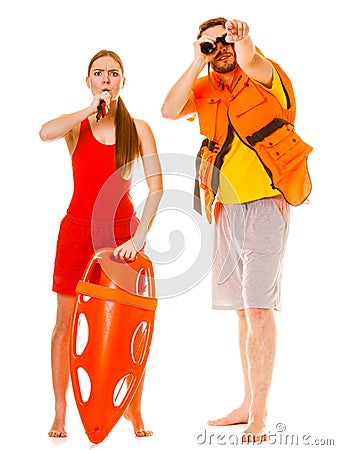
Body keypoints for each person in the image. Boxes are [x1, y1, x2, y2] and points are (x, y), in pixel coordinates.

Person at [161, 18, 310, 443]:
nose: (220, 48)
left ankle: (260, 415)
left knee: (259, 309)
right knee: (243, 312)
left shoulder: (266, 78)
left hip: (265, 207)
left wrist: (243, 42)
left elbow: (253, 59)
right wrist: (196, 60)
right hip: (226, 209)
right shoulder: (206, 88)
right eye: (211, 45)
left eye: (225, 41)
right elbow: (169, 110)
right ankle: (247, 404)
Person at [40, 49, 163, 438]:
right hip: (77, 233)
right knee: (65, 324)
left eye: (113, 73)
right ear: (89, 81)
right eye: (98, 73)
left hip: (124, 234)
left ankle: (134, 409)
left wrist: (139, 239)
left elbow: (157, 188)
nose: (106, 79)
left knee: (130, 326)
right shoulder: (76, 127)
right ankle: (60, 414)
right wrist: (87, 110)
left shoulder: (138, 128)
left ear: (124, 81)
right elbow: (44, 132)